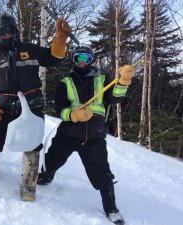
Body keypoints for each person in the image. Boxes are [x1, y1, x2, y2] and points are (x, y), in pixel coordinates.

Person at [0, 14, 72, 202]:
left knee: (32, 145)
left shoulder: (29, 50)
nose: (6, 35)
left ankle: (28, 187)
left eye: (9, 31)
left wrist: (60, 38)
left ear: (15, 31)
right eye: (2, 32)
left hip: (32, 104)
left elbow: (53, 58)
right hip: (3, 105)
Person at [36, 45, 134, 225]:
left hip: (93, 136)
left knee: (102, 173)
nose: (82, 63)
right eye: (78, 58)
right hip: (68, 132)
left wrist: (123, 83)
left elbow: (115, 98)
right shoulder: (65, 82)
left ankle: (111, 208)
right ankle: (48, 175)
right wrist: (72, 115)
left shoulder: (103, 81)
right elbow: (60, 109)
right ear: (73, 60)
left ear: (91, 61)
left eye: (86, 59)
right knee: (53, 158)